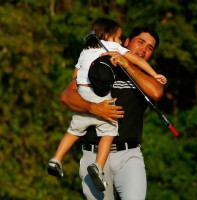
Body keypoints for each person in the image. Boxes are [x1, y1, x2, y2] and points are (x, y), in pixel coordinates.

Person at [47, 17, 167, 192]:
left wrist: (127, 65)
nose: (144, 50)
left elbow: (156, 92)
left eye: (150, 48)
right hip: (92, 153)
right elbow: (66, 96)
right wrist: (93, 108)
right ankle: (57, 160)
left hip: (128, 154)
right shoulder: (99, 64)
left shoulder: (149, 76)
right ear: (126, 42)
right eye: (140, 42)